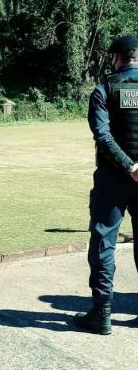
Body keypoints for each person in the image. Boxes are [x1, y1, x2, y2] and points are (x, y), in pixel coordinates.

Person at [74, 35, 138, 335]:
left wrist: (129, 166)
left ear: (116, 58)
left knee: (103, 243)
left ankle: (102, 313)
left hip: (114, 179)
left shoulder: (104, 90)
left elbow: (103, 136)